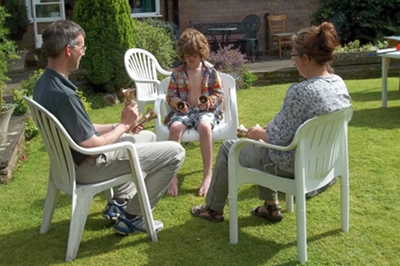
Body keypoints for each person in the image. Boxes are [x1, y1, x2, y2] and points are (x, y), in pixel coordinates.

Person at [33, 20, 185, 235]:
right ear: (69, 50)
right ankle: (133, 218)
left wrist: (119, 127)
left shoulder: (45, 84)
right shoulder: (65, 95)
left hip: (67, 165)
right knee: (175, 152)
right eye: (82, 48)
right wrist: (123, 125)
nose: (83, 53)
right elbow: (91, 143)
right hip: (88, 166)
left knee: (148, 137)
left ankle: (121, 200)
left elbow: (79, 127)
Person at [191, 22, 351, 222]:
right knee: (259, 146)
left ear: (306, 58)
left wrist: (253, 132)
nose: (293, 61)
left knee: (229, 148)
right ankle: (270, 206)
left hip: (293, 165)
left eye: (294, 56)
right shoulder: (338, 83)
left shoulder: (301, 91)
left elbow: (276, 140)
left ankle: (212, 209)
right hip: (325, 162)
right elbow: (299, 128)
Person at [165, 28, 224, 197]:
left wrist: (209, 102)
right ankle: (172, 175)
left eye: (195, 54)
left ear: (202, 53)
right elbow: (170, 95)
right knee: (175, 128)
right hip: (184, 111)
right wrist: (179, 104)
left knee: (205, 127)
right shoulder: (177, 73)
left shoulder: (210, 71)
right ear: (182, 54)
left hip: (204, 111)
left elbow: (219, 94)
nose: (191, 58)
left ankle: (207, 175)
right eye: (188, 54)